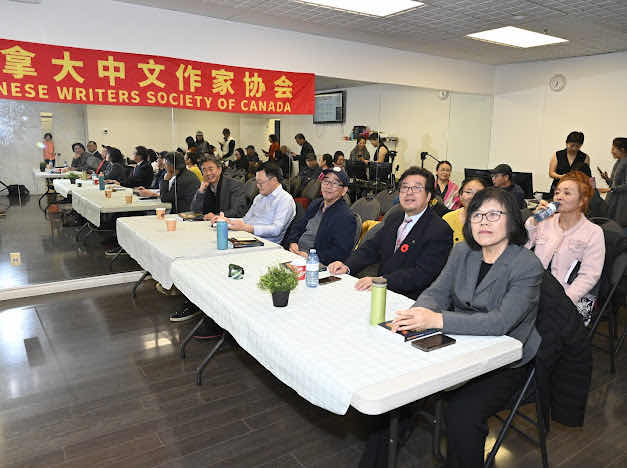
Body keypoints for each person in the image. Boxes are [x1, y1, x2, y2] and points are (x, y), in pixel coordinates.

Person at [391, 187, 543, 468]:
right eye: (477, 214)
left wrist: (437, 320)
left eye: (494, 214)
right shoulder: (462, 251)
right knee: (399, 382)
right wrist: (418, 313)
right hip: (461, 344)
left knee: (462, 414)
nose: (483, 221)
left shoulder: (527, 264)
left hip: (505, 360)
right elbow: (437, 291)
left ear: (512, 221)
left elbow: (500, 322)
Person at [328, 167, 453, 300]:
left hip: (411, 300)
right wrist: (347, 266)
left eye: (417, 188)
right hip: (380, 292)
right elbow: (371, 248)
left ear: (428, 196)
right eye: (404, 187)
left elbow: (422, 274)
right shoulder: (395, 217)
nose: (409, 193)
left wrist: (383, 281)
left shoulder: (440, 230)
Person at [526, 171, 605, 324]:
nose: (559, 197)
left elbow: (589, 276)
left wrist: (562, 301)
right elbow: (522, 247)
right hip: (537, 292)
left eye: (567, 193)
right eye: (557, 192)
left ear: (582, 200)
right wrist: (535, 220)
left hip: (571, 298)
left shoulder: (594, 233)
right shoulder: (545, 222)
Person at [286, 167, 356, 265]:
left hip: (316, 263)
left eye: (335, 183)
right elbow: (298, 226)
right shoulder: (316, 204)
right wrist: (292, 242)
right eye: (325, 181)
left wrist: (311, 257)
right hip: (296, 255)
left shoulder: (346, 217)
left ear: (344, 190)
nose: (328, 186)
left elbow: (340, 252)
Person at [224, 162, 296, 244]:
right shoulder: (259, 197)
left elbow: (276, 230)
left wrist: (248, 228)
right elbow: (246, 220)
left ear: (274, 180)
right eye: (257, 182)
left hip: (266, 244)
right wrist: (227, 220)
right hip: (248, 237)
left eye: (260, 183)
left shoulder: (285, 200)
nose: (258, 186)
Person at [190, 155, 247, 220]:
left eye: (211, 169)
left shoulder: (235, 185)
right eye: (204, 170)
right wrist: (201, 191)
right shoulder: (205, 185)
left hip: (226, 223)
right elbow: (195, 211)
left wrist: (215, 216)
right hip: (206, 223)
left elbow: (237, 211)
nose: (208, 173)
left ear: (219, 169)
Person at [442, 177, 486, 244]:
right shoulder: (448, 219)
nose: (472, 197)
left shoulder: (491, 221)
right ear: (460, 195)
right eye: (468, 192)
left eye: (479, 193)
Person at [598, 137, 627, 228]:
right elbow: (615, 183)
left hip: (622, 201)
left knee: (618, 226)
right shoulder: (619, 161)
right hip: (614, 199)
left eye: (614, 148)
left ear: (622, 150)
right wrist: (607, 179)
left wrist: (609, 189)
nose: (612, 151)